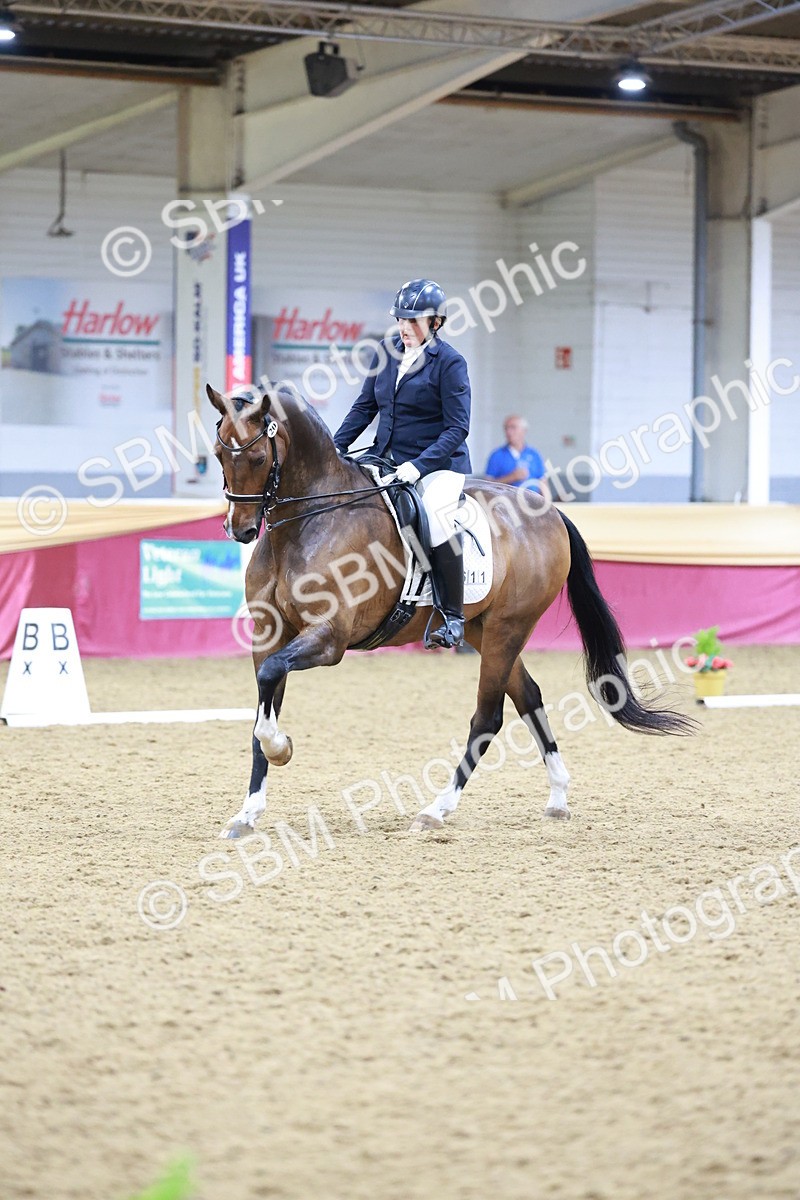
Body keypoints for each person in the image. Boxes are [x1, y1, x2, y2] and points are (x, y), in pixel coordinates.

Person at [334, 278, 470, 649]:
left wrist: (420, 466)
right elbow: (364, 407)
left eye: (414, 321)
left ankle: (452, 616)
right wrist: (334, 448)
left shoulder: (450, 363)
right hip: (387, 457)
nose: (405, 328)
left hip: (439, 464)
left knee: (437, 518)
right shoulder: (386, 351)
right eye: (401, 320)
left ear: (435, 323)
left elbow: (458, 428)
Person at [485, 415, 546, 493]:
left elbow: (543, 482)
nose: (509, 432)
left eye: (513, 428)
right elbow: (487, 487)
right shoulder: (497, 455)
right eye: (506, 428)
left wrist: (547, 503)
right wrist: (511, 477)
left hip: (532, 502)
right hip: (505, 502)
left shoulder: (534, 454)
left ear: (524, 431)